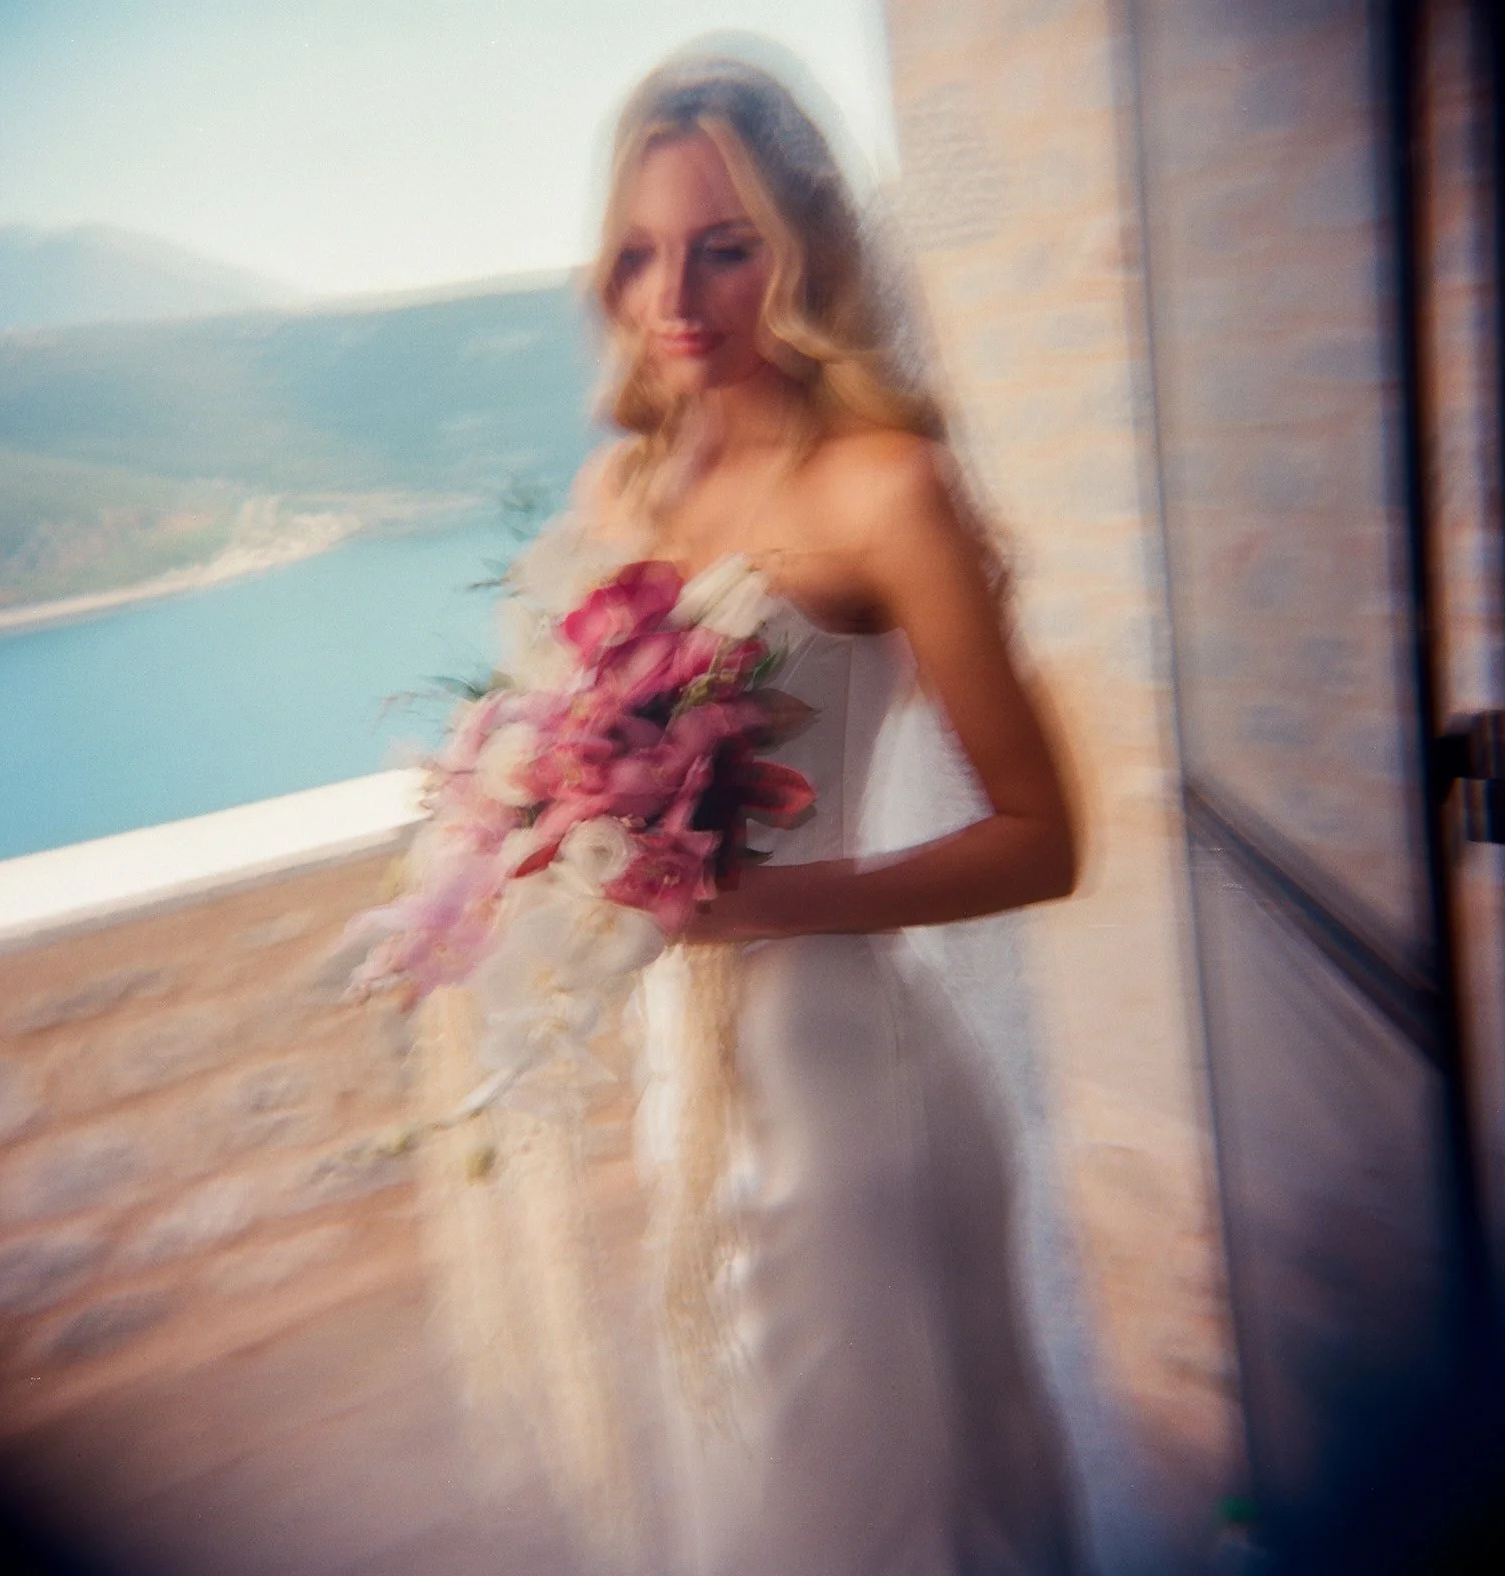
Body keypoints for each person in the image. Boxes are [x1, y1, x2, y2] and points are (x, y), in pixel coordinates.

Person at [535, 45, 1082, 1576]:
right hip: (692, 1084)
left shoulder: (886, 489)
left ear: (806, 251)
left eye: (726, 247)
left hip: (851, 1099)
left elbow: (1050, 840)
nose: (675, 298)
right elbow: (588, 763)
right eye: (640, 253)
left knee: (873, 1510)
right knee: (746, 1485)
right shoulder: (620, 501)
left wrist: (768, 903)